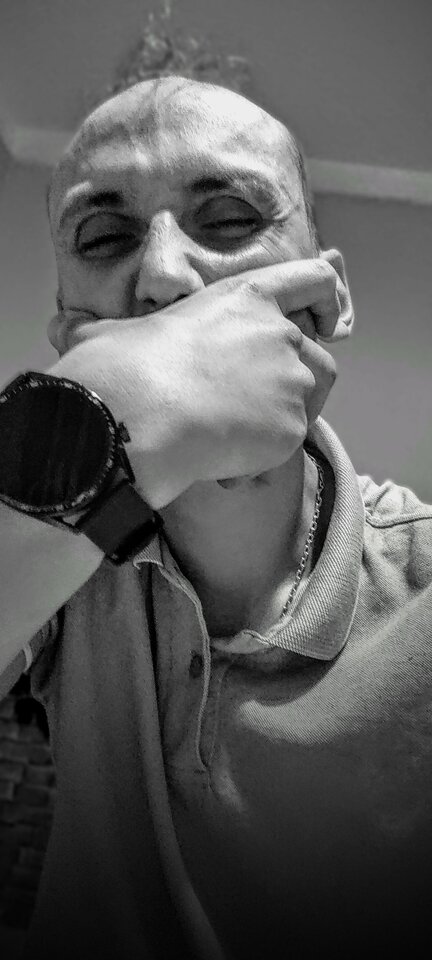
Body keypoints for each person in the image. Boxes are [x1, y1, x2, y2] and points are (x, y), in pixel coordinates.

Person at [0, 75, 431, 960]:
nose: (164, 274)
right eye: (105, 236)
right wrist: (116, 412)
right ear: (69, 338)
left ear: (329, 297)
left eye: (230, 219)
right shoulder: (51, 585)